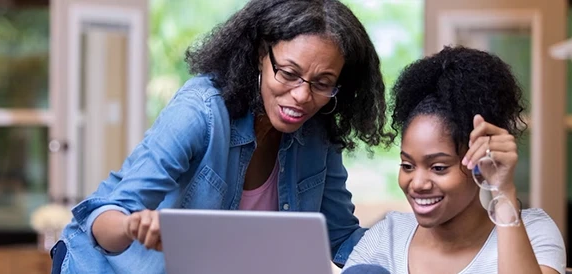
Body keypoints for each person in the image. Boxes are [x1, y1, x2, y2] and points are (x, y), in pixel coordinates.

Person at [52, 0, 394, 273]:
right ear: (262, 54)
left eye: (322, 83)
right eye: (289, 74)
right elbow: (105, 222)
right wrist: (133, 226)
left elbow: (341, 238)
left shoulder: (318, 133)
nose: (302, 96)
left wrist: (418, 240)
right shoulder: (200, 111)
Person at [343, 46, 566, 273]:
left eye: (438, 167)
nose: (418, 183)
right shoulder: (386, 237)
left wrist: (503, 189)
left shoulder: (533, 232)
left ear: (479, 160)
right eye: (407, 165)